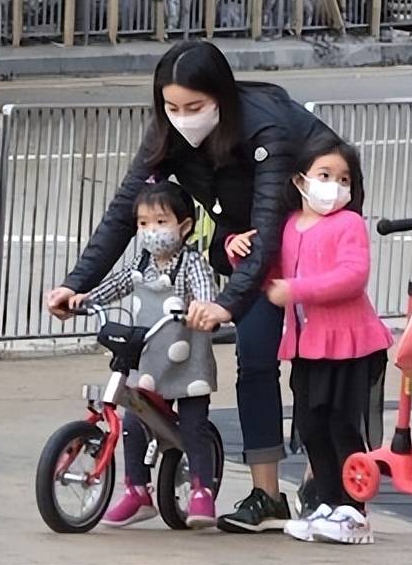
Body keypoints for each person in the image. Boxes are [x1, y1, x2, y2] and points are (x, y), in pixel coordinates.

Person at [47, 40, 342, 534]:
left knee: (316, 363)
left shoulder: (265, 126)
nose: (183, 118)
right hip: (249, 243)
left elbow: (271, 228)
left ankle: (325, 479)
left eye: (195, 107)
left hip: (315, 236)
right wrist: (74, 284)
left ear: (221, 99)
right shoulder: (168, 136)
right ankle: (267, 495)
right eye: (172, 107)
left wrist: (225, 303)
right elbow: (125, 211)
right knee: (255, 359)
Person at [227, 135, 391, 545]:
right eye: (325, 175)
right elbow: (274, 276)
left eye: (343, 178)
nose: (334, 185)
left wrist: (297, 289)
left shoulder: (348, 224)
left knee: (343, 425)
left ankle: (354, 510)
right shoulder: (289, 227)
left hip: (351, 345)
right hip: (307, 346)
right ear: (300, 181)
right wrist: (237, 251)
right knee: (311, 424)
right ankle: (328, 502)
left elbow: (352, 277)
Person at [68, 181, 221, 529]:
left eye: (161, 222)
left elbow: (206, 292)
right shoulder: (142, 262)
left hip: (187, 362)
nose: (151, 231)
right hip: (150, 358)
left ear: (183, 226)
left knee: (194, 426)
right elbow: (118, 284)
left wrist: (203, 306)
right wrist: (86, 299)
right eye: (143, 224)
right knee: (134, 422)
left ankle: (201, 489)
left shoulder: (190, 264)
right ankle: (137, 491)